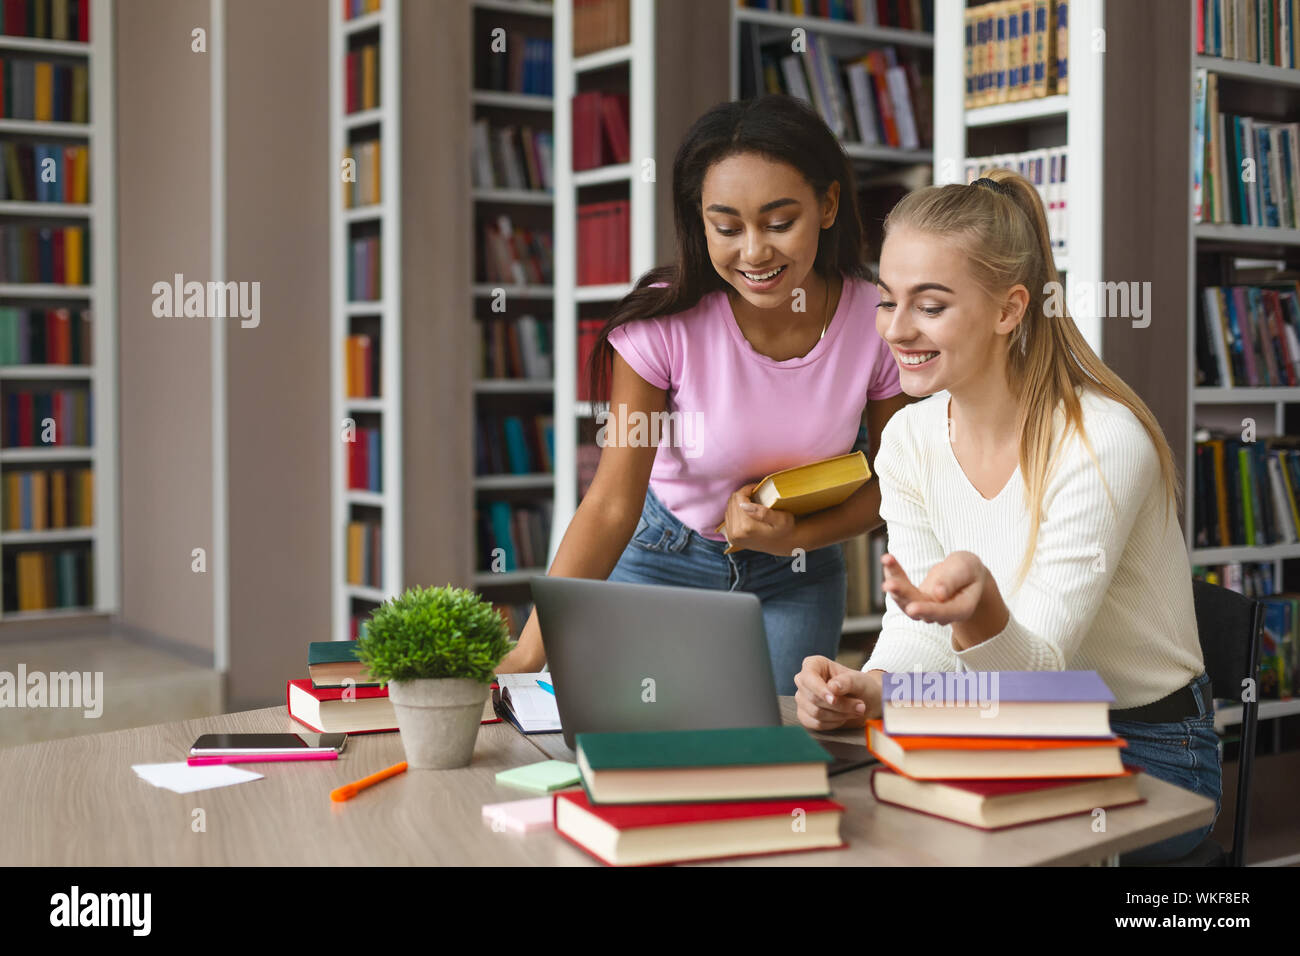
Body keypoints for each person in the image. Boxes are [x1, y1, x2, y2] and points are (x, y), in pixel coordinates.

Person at [794, 170, 1220, 864]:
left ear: (1008, 309)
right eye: (887, 301)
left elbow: (1041, 675)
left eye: (929, 306)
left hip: (1148, 750)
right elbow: (917, 627)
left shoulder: (1100, 442)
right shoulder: (908, 438)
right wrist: (866, 690)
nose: (897, 330)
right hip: (998, 726)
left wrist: (978, 608)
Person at [495, 94, 911, 692]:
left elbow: (891, 487)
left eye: (778, 222)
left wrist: (793, 538)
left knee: (770, 756)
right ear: (700, 221)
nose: (753, 251)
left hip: (797, 574)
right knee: (644, 749)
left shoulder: (875, 318)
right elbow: (612, 503)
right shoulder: (664, 321)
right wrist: (526, 656)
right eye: (727, 226)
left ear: (827, 204)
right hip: (660, 559)